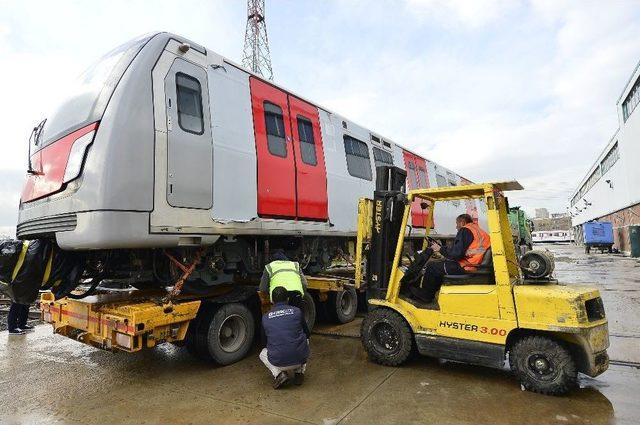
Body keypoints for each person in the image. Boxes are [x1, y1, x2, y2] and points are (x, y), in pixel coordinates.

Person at [410, 214, 490, 303]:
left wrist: (440, 249)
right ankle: (433, 292)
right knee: (441, 263)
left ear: (462, 222)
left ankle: (426, 295)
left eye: (457, 224)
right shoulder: (477, 230)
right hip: (475, 263)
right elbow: (462, 250)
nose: (456, 227)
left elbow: (456, 254)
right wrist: (444, 250)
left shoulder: (465, 230)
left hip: (467, 266)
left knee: (432, 266)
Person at [260, 286, 311, 389]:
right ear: (287, 299)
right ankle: (299, 373)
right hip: (299, 359)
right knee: (306, 339)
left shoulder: (265, 317)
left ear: (272, 301)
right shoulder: (297, 311)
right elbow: (307, 333)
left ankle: (279, 374)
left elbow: (264, 341)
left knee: (262, 353)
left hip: (278, 362)